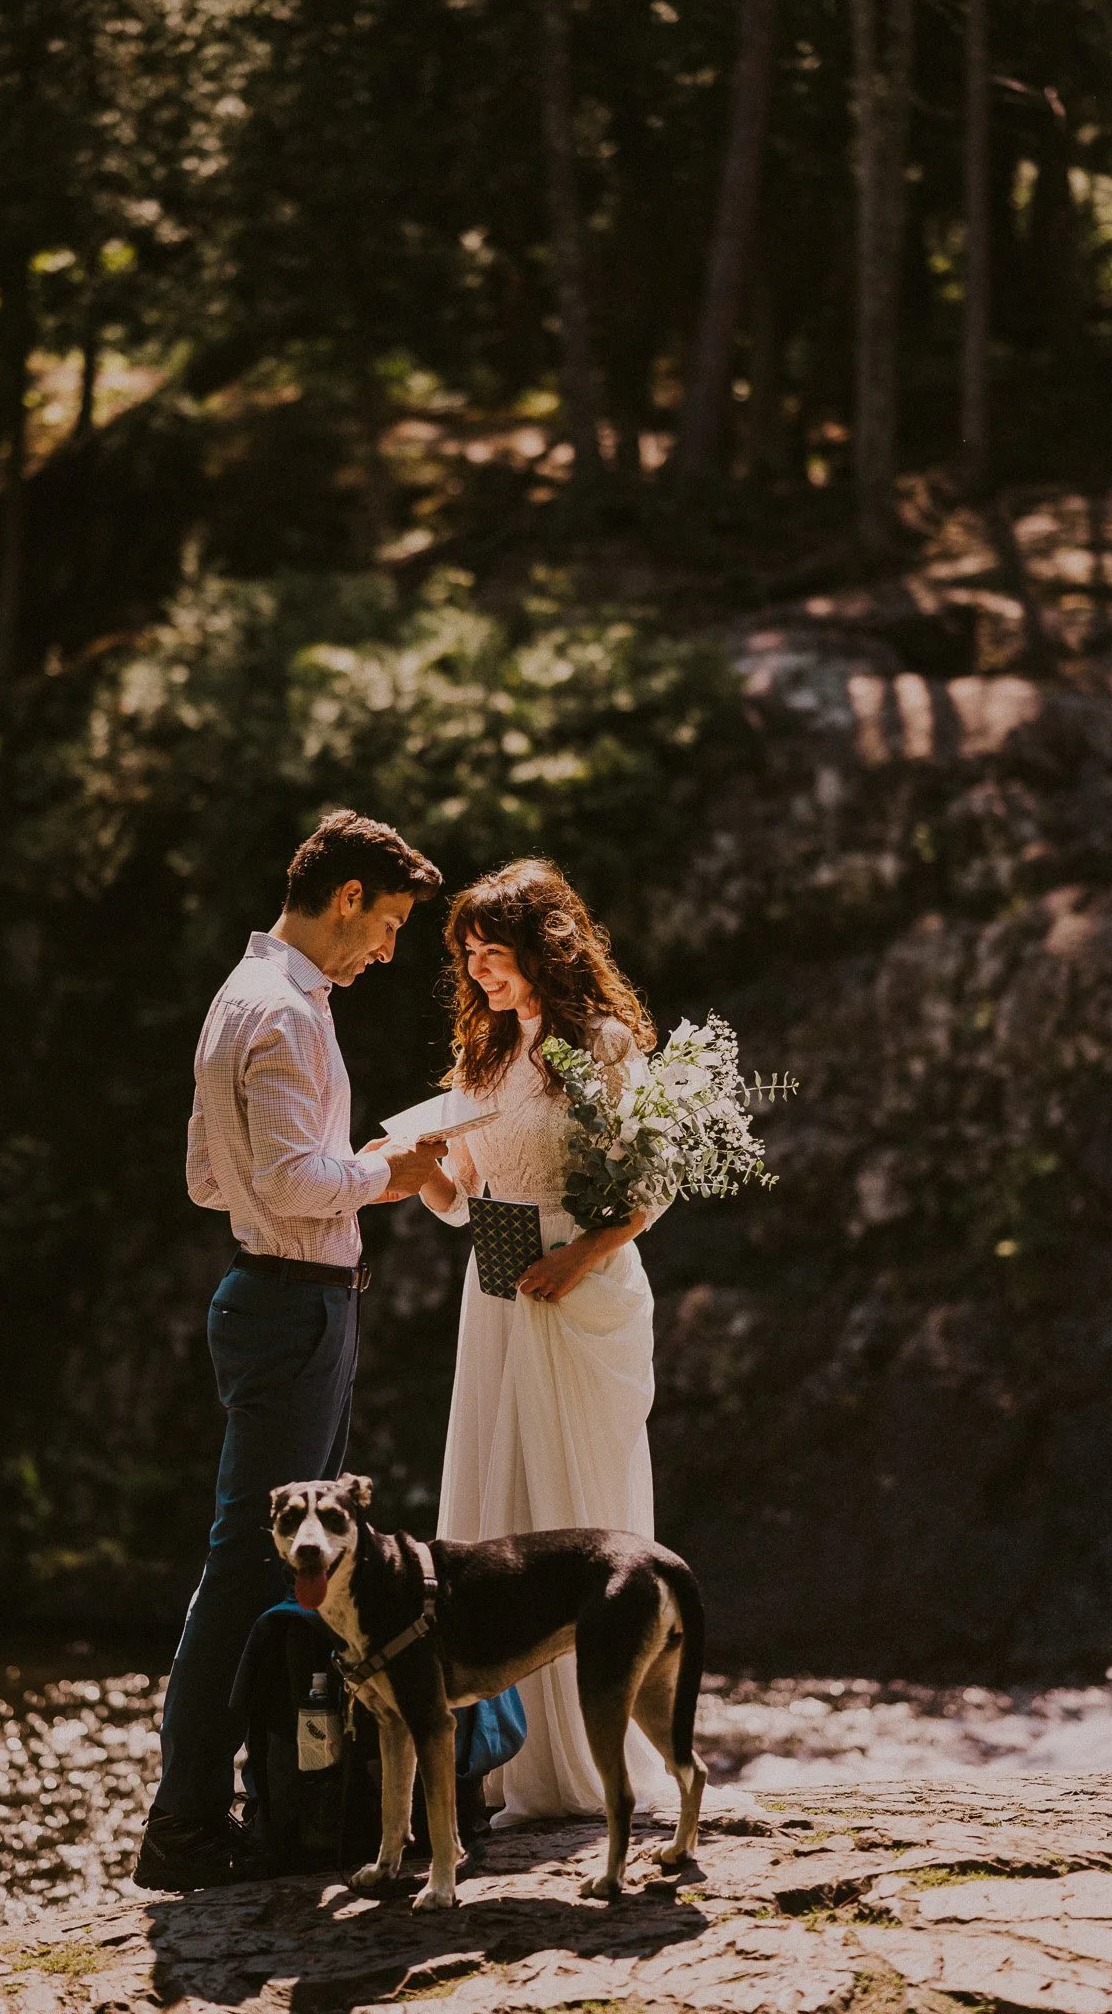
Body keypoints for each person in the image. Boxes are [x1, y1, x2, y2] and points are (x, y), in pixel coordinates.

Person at [134, 809, 447, 1891]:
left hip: (274, 1298)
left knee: (289, 1569)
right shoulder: (284, 1012)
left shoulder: (242, 995)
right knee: (247, 1567)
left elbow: (207, 1178)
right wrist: (384, 1174)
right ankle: (184, 1824)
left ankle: (285, 1797)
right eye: (391, 923)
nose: (390, 950)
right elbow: (282, 1185)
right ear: (347, 896)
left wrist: (334, 1169)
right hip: (292, 1308)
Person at [420, 858, 676, 1825]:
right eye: (470, 957)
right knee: (499, 1508)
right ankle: (514, 1760)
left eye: (495, 952)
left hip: (580, 1291)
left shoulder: (603, 1043)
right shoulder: (480, 1056)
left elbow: (650, 1187)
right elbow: (461, 1201)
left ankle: (596, 1753)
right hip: (494, 1297)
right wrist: (419, 1171)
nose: (481, 972)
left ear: (545, 946)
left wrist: (578, 1260)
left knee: (577, 1504)